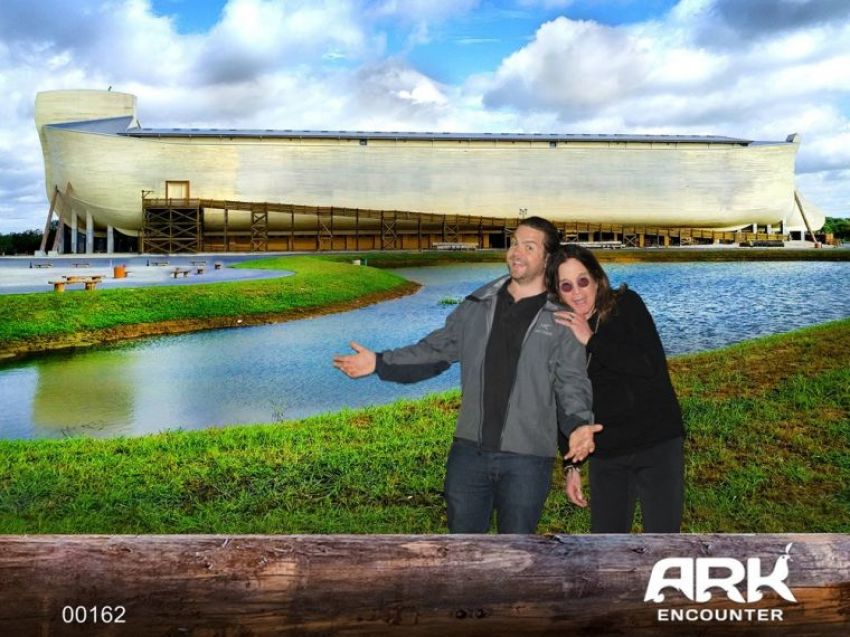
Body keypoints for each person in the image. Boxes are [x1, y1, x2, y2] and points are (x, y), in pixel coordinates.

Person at [333, 217, 600, 533]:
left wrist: (579, 424)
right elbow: (435, 350)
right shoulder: (477, 305)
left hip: (527, 461)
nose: (517, 252)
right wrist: (379, 363)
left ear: (547, 259)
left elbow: (571, 381)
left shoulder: (561, 319)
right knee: (463, 554)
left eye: (530, 247)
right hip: (468, 455)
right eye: (515, 243)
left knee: (514, 557)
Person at [549, 244, 685, 533]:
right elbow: (562, 398)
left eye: (583, 281)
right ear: (557, 293)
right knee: (606, 547)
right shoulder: (560, 331)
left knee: (663, 546)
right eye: (566, 286)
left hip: (656, 444)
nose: (577, 292)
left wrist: (591, 340)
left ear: (597, 279)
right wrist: (571, 465)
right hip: (607, 453)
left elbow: (647, 366)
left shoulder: (627, 305)